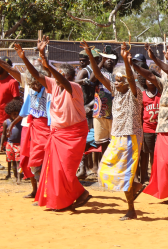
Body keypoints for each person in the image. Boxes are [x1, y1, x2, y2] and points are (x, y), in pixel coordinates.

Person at [16, 38, 92, 211]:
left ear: (65, 76)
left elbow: (62, 81)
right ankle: (67, 198)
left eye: (57, 74)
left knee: (64, 170)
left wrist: (48, 65)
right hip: (58, 133)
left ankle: (78, 194)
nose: (53, 77)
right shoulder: (54, 85)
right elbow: (36, 76)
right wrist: (24, 58)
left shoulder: (74, 87)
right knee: (54, 169)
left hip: (74, 133)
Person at [83, 41, 144, 220]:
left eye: (119, 81)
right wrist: (89, 53)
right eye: (115, 81)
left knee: (125, 174)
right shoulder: (116, 92)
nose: (116, 84)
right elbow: (97, 74)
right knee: (104, 170)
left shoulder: (135, 94)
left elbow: (131, 79)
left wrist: (126, 61)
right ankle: (136, 185)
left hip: (130, 136)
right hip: (117, 135)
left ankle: (131, 209)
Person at [135, 44, 168, 205]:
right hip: (161, 131)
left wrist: (161, 59)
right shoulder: (165, 84)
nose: (166, 75)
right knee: (161, 165)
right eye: (165, 73)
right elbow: (149, 74)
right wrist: (133, 64)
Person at [0, 57, 51, 199]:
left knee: (39, 160)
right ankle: (36, 191)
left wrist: (40, 54)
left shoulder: (47, 86)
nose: (32, 70)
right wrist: (11, 124)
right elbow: (24, 110)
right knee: (27, 159)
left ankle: (44, 192)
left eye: (36, 67)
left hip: (41, 128)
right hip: (28, 126)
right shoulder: (26, 81)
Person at [74, 48, 100, 179]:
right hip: (84, 108)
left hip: (92, 107)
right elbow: (74, 83)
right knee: (85, 138)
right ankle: (83, 167)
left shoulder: (94, 70)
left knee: (91, 139)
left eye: (84, 60)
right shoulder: (85, 71)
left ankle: (89, 167)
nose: (81, 62)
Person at [92, 45, 118, 171]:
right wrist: (102, 60)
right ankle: (103, 168)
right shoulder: (99, 73)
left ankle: (111, 167)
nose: (109, 60)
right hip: (100, 112)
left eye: (112, 58)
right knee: (102, 143)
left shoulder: (117, 76)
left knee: (113, 143)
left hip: (115, 114)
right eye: (107, 58)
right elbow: (91, 79)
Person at [139, 65, 161, 184]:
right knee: (145, 154)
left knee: (155, 155)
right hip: (147, 129)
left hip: (158, 129)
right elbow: (141, 113)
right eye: (146, 77)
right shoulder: (143, 95)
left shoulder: (160, 93)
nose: (148, 79)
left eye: (151, 77)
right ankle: (143, 178)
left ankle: (154, 178)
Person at [2, 99, 23, 183]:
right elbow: (4, 134)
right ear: (9, 113)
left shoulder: (21, 122)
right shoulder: (6, 122)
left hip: (19, 145)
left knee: (18, 161)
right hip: (9, 144)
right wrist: (1, 145)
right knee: (11, 161)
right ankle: (13, 175)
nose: (16, 115)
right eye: (14, 113)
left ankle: (18, 178)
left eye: (17, 113)